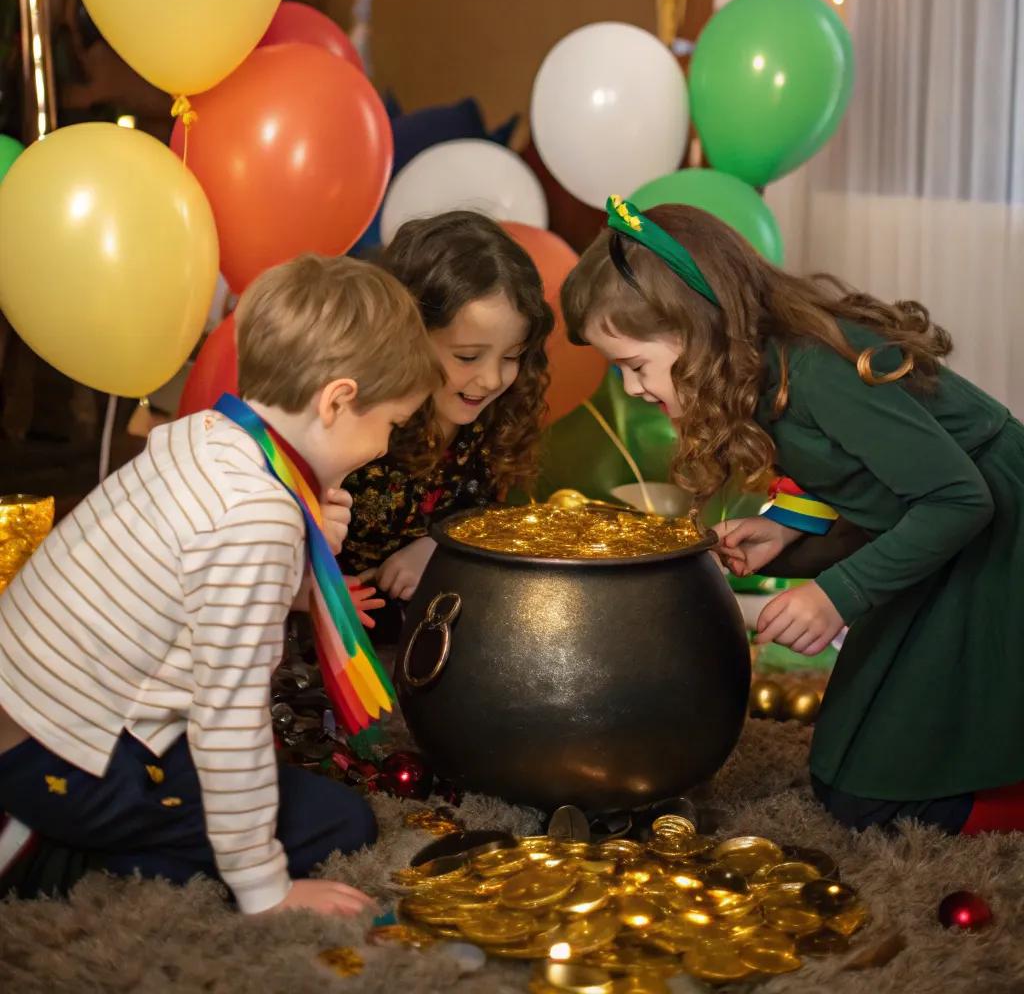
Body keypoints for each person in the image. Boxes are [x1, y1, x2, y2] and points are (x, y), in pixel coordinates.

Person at [562, 195, 1024, 836]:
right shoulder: (764, 370)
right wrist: (788, 527)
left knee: (874, 799)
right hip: (937, 538)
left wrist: (838, 595)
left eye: (634, 365)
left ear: (699, 328)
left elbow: (957, 498)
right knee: (843, 775)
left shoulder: (814, 370)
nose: (631, 387)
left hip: (993, 543)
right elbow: (859, 475)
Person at [0, 254, 439, 912]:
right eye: (390, 426)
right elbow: (227, 719)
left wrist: (307, 532)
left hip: (32, 719)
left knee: (284, 800)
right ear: (338, 400)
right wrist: (266, 886)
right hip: (63, 763)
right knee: (337, 823)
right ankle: (58, 858)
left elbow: (193, 584)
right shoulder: (255, 515)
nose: (383, 447)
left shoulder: (207, 437)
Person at [345, 211, 553, 605]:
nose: (492, 379)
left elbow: (488, 516)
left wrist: (439, 546)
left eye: (512, 357)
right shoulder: (356, 422)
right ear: (409, 338)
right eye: (468, 357)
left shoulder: (497, 417)